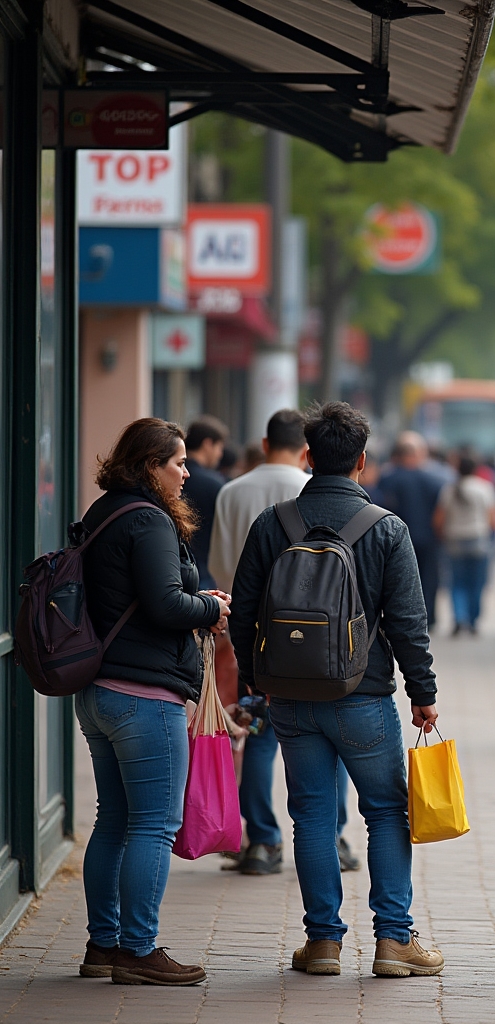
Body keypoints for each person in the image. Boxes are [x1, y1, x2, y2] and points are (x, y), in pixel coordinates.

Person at [230, 402, 444, 979]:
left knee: (312, 817)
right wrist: (422, 692)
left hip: (291, 700)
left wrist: (256, 680)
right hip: (364, 697)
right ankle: (394, 941)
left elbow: (243, 610)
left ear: (307, 457)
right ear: (362, 462)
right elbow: (407, 622)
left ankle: (323, 943)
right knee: (386, 813)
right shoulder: (386, 528)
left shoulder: (272, 524)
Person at [76, 418, 231, 986]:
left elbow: (141, 597)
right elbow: (166, 606)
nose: (187, 472)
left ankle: (103, 945)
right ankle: (138, 951)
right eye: (178, 462)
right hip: (144, 696)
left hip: (100, 693)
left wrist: (194, 598)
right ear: (150, 465)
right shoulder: (149, 521)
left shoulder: (104, 513)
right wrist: (211, 610)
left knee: (113, 820)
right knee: (153, 825)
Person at [209, 409, 360, 876]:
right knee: (326, 736)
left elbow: (219, 564)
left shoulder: (232, 491)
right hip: (320, 640)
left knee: (257, 735)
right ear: (305, 451)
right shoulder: (310, 489)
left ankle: (261, 841)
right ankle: (333, 837)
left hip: (254, 636)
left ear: (263, 440)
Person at [378, 432, 444, 628]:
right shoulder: (434, 481)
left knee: (396, 580)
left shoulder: (387, 480)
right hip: (427, 538)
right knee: (429, 579)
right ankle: (428, 618)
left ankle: (400, 619)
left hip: (393, 539)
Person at [434, 453, 495, 636]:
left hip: (454, 541)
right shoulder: (485, 488)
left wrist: (443, 535)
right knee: (476, 583)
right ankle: (473, 620)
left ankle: (458, 618)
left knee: (456, 582)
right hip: (478, 541)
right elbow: (493, 520)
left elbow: (439, 519)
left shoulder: (449, 489)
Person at [182, 415, 228, 589]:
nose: (220, 454)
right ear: (208, 443)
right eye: (219, 447)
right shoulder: (214, 483)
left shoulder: (171, 478)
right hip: (204, 573)